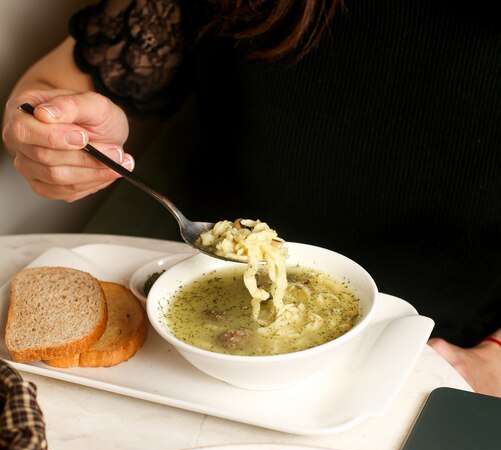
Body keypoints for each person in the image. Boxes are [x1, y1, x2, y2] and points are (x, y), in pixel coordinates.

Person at [2, 0, 500, 396]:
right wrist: (52, 129)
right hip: (197, 288)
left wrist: (494, 359)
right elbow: (49, 86)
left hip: (450, 346)